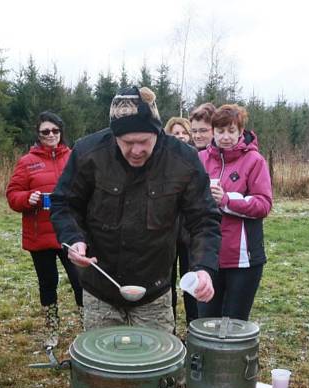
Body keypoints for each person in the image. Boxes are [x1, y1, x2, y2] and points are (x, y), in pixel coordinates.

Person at [50, 86, 221, 334]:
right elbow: (64, 203)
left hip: (154, 290)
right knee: (104, 366)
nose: (136, 150)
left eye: (144, 141)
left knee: (156, 367)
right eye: (128, 142)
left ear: (157, 132)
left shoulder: (182, 160)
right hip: (101, 288)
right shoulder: (89, 154)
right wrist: (73, 239)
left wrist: (204, 267)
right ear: (114, 135)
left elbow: (204, 218)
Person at [6, 111, 83, 346]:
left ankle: (86, 325)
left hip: (70, 233)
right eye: (45, 132)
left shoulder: (74, 157)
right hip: (40, 235)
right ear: (38, 135)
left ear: (61, 132)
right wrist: (27, 198)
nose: (50, 135)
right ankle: (51, 329)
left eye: (55, 131)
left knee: (81, 281)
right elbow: (12, 195)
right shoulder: (27, 162)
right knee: (47, 284)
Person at [197, 104, 273, 321]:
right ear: (213, 131)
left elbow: (263, 204)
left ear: (241, 131)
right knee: (206, 322)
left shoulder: (254, 160)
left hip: (243, 260)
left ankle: (234, 357)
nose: (225, 137)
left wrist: (227, 200)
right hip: (208, 257)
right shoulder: (202, 158)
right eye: (220, 131)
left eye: (231, 131)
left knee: (234, 325)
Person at [164, 116, 197, 329]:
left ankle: (194, 326)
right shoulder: (160, 161)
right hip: (165, 233)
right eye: (175, 133)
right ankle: (170, 329)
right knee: (167, 285)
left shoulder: (196, 159)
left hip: (189, 233)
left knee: (191, 283)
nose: (180, 137)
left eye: (184, 132)